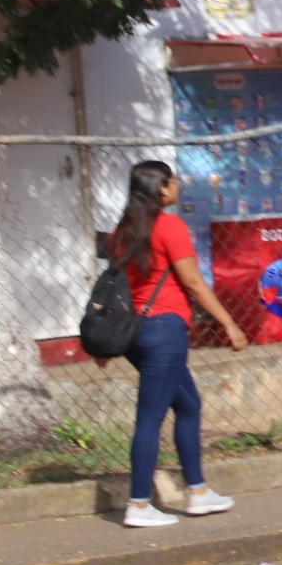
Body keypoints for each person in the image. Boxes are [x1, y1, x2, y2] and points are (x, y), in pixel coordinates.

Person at [105, 161, 247, 528]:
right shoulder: (169, 226)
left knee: (188, 404)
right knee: (150, 418)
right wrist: (228, 322)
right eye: (172, 181)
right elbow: (193, 283)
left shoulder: (120, 232)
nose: (177, 185)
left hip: (135, 335)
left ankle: (198, 492)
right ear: (161, 189)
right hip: (165, 332)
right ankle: (139, 503)